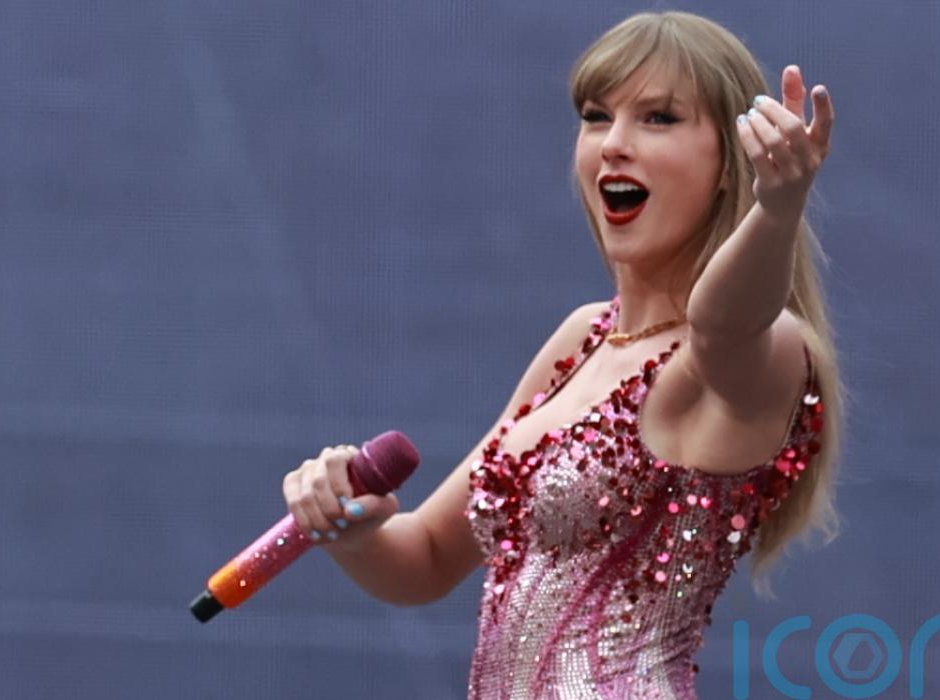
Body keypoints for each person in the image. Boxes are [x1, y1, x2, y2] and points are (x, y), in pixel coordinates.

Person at [281, 10, 842, 698]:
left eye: (658, 118)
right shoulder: (583, 338)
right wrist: (350, 532)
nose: (614, 144)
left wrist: (776, 209)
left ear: (732, 163)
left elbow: (721, 323)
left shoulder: (763, 347)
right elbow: (425, 558)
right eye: (597, 116)